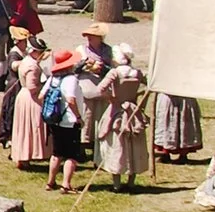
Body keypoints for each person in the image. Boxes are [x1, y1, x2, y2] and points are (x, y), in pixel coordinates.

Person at [94, 44, 151, 188]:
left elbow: (100, 88)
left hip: (117, 111)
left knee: (117, 145)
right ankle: (131, 182)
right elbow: (150, 86)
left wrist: (111, 98)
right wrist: (140, 99)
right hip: (133, 111)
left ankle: (117, 183)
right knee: (134, 145)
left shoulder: (114, 73)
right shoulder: (137, 73)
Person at [43, 48, 89, 192]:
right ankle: (66, 184)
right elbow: (71, 100)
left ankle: (50, 182)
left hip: (55, 120)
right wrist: (78, 117)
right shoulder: (71, 80)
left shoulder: (52, 78)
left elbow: (41, 96)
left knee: (57, 153)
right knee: (71, 155)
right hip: (69, 121)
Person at [8, 39, 51, 169]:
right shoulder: (32, 66)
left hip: (23, 95)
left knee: (24, 127)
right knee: (32, 127)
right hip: (31, 98)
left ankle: (23, 155)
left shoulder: (26, 61)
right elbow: (32, 87)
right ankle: (27, 156)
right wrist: (46, 84)